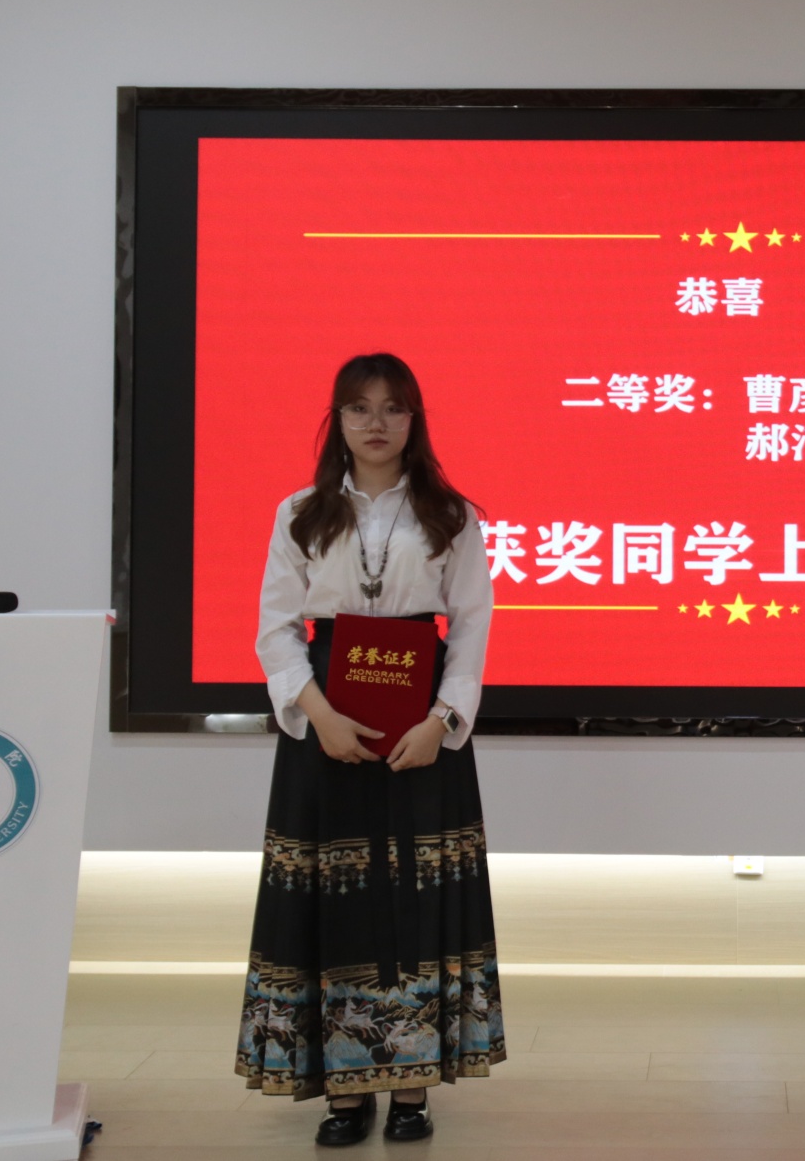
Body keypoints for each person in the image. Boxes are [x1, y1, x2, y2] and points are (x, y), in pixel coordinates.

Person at [235, 352, 506, 1146]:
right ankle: (343, 1092)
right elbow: (275, 630)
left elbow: (472, 628)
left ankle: (411, 1084)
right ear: (338, 421)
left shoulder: (451, 514)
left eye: (393, 408)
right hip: (327, 717)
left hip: (423, 720)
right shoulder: (300, 513)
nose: (376, 423)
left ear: (414, 419)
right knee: (336, 894)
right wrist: (317, 713)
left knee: (416, 895)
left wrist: (442, 721)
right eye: (359, 408)